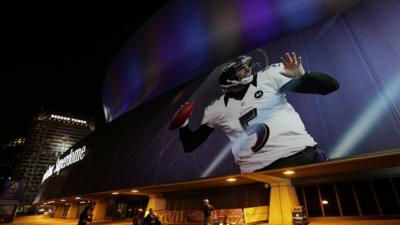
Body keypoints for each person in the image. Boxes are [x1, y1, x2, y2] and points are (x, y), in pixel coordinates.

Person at [177, 52, 339, 173]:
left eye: (247, 66)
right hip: (256, 171)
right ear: (229, 81)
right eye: (241, 70)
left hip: (298, 156)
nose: (248, 70)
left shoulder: (267, 76)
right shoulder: (215, 108)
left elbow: (330, 86)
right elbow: (191, 144)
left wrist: (304, 76)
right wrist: (183, 123)